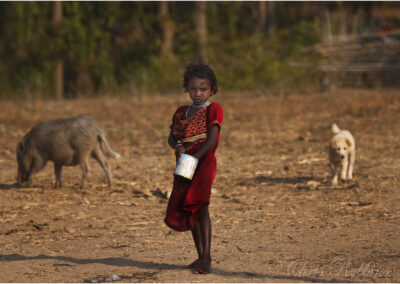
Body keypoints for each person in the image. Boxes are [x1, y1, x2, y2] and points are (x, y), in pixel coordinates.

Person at [164, 63, 223, 274]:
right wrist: (178, 147)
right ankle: (199, 256)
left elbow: (212, 140)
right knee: (189, 207)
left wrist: (194, 158)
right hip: (185, 162)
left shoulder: (213, 109)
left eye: (203, 89)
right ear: (187, 89)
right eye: (193, 89)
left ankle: (206, 257)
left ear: (212, 90)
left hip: (203, 161)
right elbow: (172, 138)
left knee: (201, 207)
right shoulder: (181, 112)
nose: (198, 93)